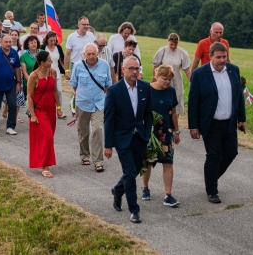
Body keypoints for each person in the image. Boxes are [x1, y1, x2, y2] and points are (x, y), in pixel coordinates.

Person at [188, 42, 246, 204]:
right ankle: (212, 190)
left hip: (229, 121)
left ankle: (211, 177)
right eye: (219, 57)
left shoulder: (233, 70)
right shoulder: (200, 74)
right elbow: (193, 102)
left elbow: (239, 97)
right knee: (214, 155)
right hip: (210, 123)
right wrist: (193, 126)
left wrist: (242, 118)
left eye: (224, 57)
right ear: (211, 56)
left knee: (231, 153)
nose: (222, 60)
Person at [104, 56, 153, 224]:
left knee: (135, 169)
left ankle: (117, 190)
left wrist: (146, 131)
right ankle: (134, 209)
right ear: (123, 70)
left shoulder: (145, 88)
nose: (134, 72)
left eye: (137, 68)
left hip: (140, 136)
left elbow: (148, 113)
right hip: (122, 138)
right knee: (131, 173)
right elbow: (109, 119)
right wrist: (108, 145)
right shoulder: (114, 90)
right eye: (131, 68)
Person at [141, 65, 181, 206]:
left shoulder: (171, 91)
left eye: (170, 79)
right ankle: (145, 188)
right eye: (165, 79)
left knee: (168, 162)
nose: (167, 82)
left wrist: (176, 131)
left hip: (167, 132)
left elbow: (174, 112)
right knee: (148, 162)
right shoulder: (147, 90)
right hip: (150, 132)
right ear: (156, 76)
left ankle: (168, 195)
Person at [70, 43, 112, 172]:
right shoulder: (78, 66)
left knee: (98, 130)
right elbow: (74, 84)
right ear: (84, 54)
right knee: (83, 132)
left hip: (99, 103)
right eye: (89, 54)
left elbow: (108, 84)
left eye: (94, 54)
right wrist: (82, 94)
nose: (91, 56)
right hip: (82, 103)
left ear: (97, 53)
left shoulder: (105, 65)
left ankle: (98, 161)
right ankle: (84, 155)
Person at [27, 51, 63, 178]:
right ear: (42, 63)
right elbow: (29, 97)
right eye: (49, 60)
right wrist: (33, 115)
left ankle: (44, 161)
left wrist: (58, 107)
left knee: (49, 136)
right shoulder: (34, 75)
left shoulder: (52, 72)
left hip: (50, 109)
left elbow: (55, 91)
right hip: (39, 110)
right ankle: (45, 166)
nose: (51, 62)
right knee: (47, 136)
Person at [152, 33, 191, 115]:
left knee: (176, 101)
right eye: (171, 44)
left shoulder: (182, 52)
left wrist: (191, 81)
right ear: (168, 42)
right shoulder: (162, 51)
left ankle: (175, 124)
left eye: (175, 44)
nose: (173, 46)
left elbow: (187, 69)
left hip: (176, 81)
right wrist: (154, 80)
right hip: (163, 80)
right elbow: (155, 66)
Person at [0, 34, 22, 135]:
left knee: (12, 105)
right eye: (6, 42)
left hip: (11, 84)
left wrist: (18, 82)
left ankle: (10, 126)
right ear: (1, 43)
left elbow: (17, 68)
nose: (8, 44)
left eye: (10, 42)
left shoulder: (14, 53)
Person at [42, 31, 65, 112]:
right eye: (51, 41)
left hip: (56, 73)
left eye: (54, 41)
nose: (52, 42)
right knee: (46, 92)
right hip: (45, 74)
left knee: (58, 91)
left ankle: (59, 109)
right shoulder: (43, 48)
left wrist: (66, 71)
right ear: (47, 40)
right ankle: (46, 108)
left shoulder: (58, 48)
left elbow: (62, 61)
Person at [20, 35, 41, 102]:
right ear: (28, 45)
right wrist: (31, 82)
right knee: (32, 101)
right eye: (31, 43)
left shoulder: (42, 53)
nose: (33, 44)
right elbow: (24, 72)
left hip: (42, 81)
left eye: (35, 42)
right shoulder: (23, 56)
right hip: (29, 82)